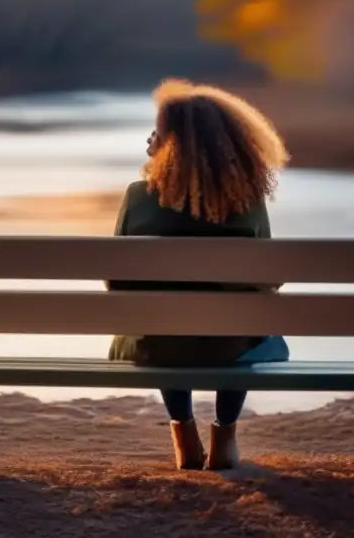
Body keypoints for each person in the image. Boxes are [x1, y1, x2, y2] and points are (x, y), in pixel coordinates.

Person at [106, 79, 291, 471]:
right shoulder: (247, 200)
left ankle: (184, 436)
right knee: (245, 319)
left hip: (156, 346)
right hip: (230, 347)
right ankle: (224, 438)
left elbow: (117, 282)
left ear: (167, 141)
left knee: (159, 322)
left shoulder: (138, 196)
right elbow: (267, 279)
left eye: (157, 131)